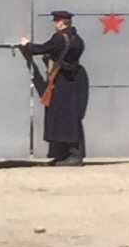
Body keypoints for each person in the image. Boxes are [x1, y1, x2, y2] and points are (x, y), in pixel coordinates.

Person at [15, 10, 91, 164]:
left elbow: (41, 49)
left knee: (63, 117)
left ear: (61, 23)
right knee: (66, 116)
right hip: (73, 80)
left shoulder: (60, 38)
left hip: (62, 80)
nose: (55, 25)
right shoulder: (77, 40)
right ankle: (63, 153)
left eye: (56, 22)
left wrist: (26, 45)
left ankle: (74, 155)